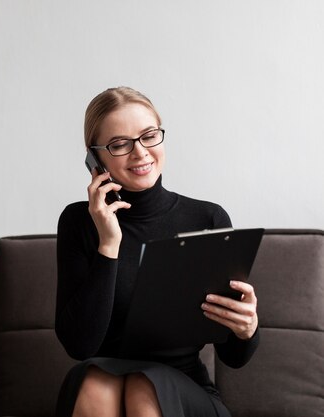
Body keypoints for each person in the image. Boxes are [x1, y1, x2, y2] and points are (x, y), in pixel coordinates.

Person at [55, 87, 259, 417]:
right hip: (101, 382)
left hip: (185, 390)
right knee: (96, 381)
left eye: (149, 136)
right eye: (120, 144)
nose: (140, 153)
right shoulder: (79, 222)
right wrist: (108, 245)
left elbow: (235, 357)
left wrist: (246, 329)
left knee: (141, 385)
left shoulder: (207, 219)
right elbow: (80, 346)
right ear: (95, 158)